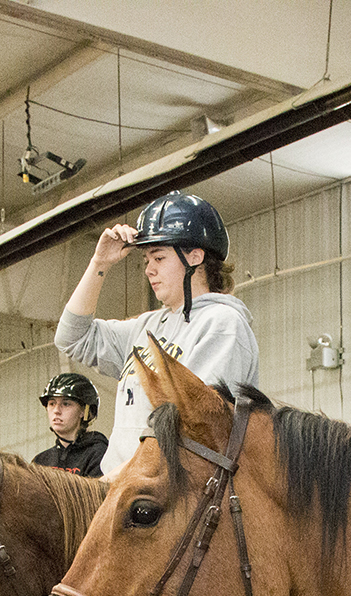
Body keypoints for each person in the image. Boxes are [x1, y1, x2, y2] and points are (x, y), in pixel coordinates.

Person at [54, 190, 259, 475]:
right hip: (126, 489)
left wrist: (123, 481)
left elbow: (192, 428)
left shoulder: (222, 323)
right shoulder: (146, 327)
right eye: (146, 261)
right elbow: (71, 338)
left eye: (159, 258)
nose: (149, 270)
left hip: (167, 496)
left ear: (195, 257)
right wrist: (99, 264)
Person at [32, 372, 108, 477]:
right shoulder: (40, 461)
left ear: (83, 411)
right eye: (52, 404)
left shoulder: (100, 454)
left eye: (66, 404)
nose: (56, 411)